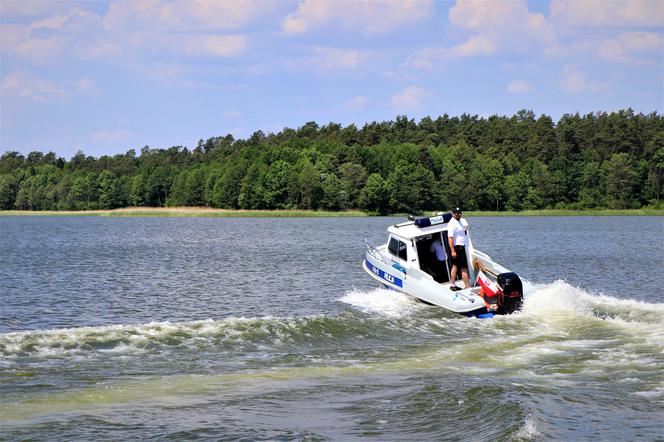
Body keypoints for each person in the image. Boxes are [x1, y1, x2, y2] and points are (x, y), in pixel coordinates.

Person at [447, 207, 469, 290]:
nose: (458, 214)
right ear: (453, 214)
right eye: (456, 213)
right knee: (463, 268)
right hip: (457, 248)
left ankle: (453, 285)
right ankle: (467, 287)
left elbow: (464, 228)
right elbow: (450, 238)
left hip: (461, 247)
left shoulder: (460, 222)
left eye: (459, 213)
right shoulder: (452, 223)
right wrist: (452, 251)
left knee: (455, 266)